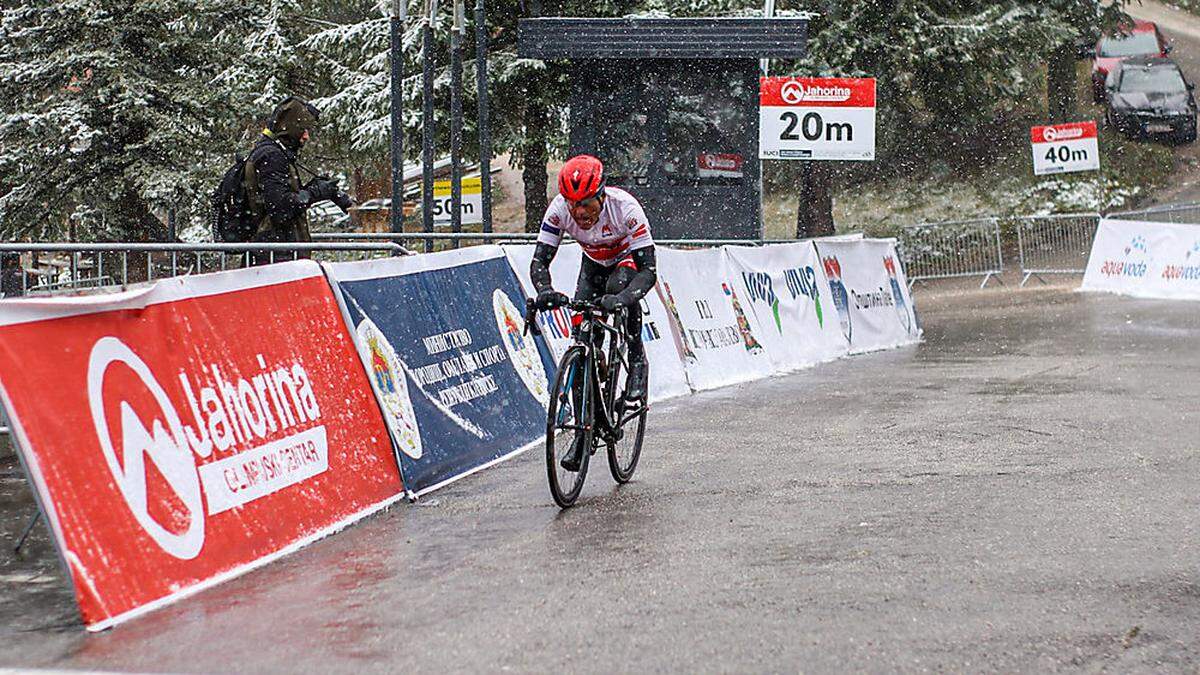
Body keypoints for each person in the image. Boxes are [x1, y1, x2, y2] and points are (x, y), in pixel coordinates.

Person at [529, 154, 658, 470]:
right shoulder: (560, 210)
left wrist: (625, 298)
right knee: (583, 337)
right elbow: (539, 261)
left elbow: (649, 271)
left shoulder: (625, 209)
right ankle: (583, 434)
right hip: (593, 264)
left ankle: (637, 360)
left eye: (587, 203)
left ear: (602, 194)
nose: (580, 212)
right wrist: (545, 292)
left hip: (627, 262)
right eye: (574, 204)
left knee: (618, 289)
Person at [245, 96, 350, 265]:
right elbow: (280, 208)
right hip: (276, 256)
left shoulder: (272, 153)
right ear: (292, 127)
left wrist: (317, 189)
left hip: (277, 253)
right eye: (303, 129)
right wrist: (315, 192)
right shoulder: (272, 156)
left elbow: (284, 199)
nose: (307, 136)